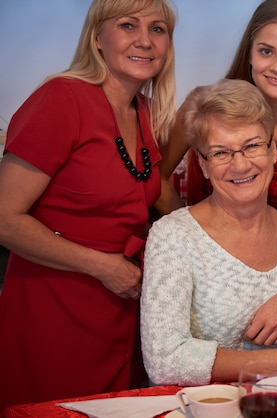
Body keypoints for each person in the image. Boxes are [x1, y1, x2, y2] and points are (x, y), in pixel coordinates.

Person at [0, 0, 177, 410]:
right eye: (128, 25)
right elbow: (4, 219)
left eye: (158, 29)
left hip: (121, 311)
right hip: (53, 310)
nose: (144, 40)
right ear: (97, 38)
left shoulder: (146, 111)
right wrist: (100, 265)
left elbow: (154, 190)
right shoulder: (61, 98)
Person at [141, 79, 277, 385]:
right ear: (204, 165)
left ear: (272, 150)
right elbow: (164, 360)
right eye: (221, 153)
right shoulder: (172, 236)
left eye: (252, 146)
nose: (240, 164)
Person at [156, 0, 277, 284]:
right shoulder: (203, 109)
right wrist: (191, 232)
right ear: (250, 54)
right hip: (194, 267)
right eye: (267, 51)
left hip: (259, 277)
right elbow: (154, 178)